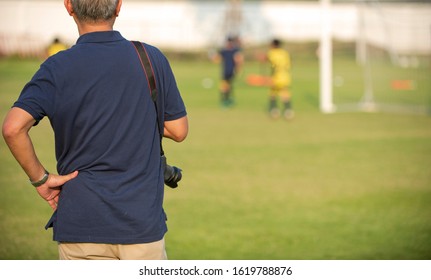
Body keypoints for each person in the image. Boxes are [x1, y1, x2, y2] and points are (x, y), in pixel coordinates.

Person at [2, 0, 188, 260]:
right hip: (140, 225)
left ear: (69, 6)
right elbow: (178, 130)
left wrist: (41, 179)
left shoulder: (56, 67)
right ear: (118, 6)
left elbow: (13, 128)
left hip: (80, 224)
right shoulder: (150, 57)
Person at [212, 36, 243, 108]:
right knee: (226, 86)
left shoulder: (234, 51)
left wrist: (238, 69)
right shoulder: (224, 51)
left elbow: (238, 59)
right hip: (225, 71)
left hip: (230, 71)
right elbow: (217, 59)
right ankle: (227, 100)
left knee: (226, 86)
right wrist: (213, 55)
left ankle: (226, 100)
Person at [265, 39, 293, 119]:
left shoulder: (272, 52)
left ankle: (274, 111)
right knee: (284, 93)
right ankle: (288, 112)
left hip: (276, 76)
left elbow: (267, 60)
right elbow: (290, 63)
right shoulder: (285, 53)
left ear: (273, 45)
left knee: (272, 93)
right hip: (285, 75)